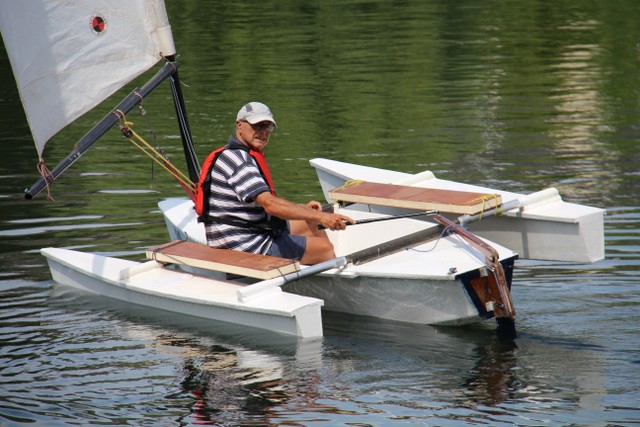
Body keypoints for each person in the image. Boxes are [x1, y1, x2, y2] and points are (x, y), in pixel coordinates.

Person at [204, 101, 354, 265]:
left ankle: (310, 262)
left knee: (311, 220)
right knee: (325, 248)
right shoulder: (239, 161)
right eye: (257, 126)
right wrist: (323, 216)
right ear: (239, 125)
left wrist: (306, 211)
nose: (263, 132)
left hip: (248, 231)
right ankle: (321, 269)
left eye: (267, 127)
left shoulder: (237, 154)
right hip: (241, 243)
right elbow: (270, 205)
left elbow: (266, 204)